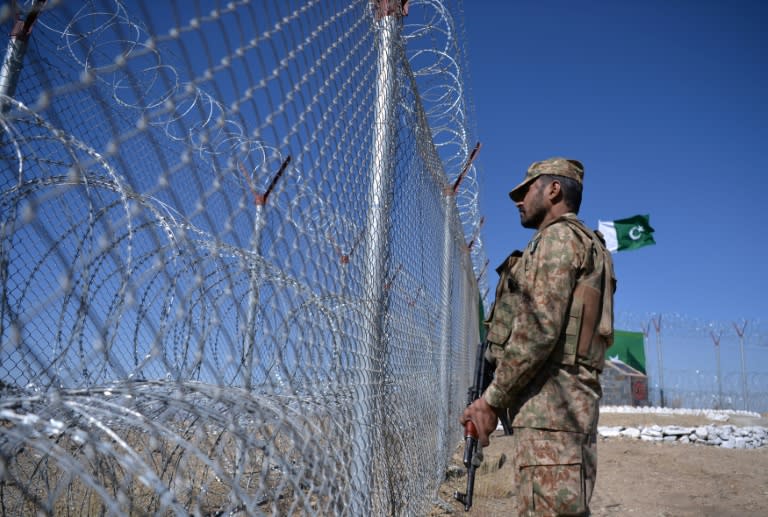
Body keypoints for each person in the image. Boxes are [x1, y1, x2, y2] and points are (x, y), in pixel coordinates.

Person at [460, 157, 616, 516]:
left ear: (553, 190)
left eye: (526, 190)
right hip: (561, 413)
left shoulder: (559, 239)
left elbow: (537, 331)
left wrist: (491, 401)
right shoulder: (585, 243)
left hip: (552, 412)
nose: (518, 200)